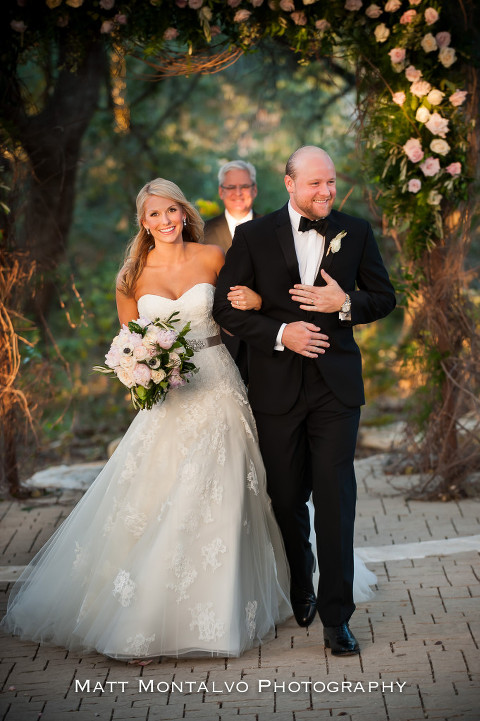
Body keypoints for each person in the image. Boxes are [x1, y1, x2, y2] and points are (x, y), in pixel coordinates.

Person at [0, 178, 292, 660]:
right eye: (155, 214)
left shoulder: (213, 257)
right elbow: (128, 347)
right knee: (160, 496)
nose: (166, 221)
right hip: (169, 398)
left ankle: (219, 612)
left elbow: (247, 309)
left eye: (173, 211)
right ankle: (142, 617)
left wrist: (259, 303)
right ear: (144, 222)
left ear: (184, 214)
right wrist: (143, 369)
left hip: (219, 385)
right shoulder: (130, 277)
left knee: (219, 492)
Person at [213, 146, 396, 656]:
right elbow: (225, 307)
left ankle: (337, 617)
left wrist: (346, 304)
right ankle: (301, 582)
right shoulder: (252, 235)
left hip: (336, 389)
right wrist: (279, 333)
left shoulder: (355, 231)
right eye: (315, 183)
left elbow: (384, 297)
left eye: (331, 182)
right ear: (289, 183)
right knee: (287, 496)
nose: (326, 191)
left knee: (336, 499)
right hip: (276, 388)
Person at [204, 160, 260, 383]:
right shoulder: (201, 233)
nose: (238, 193)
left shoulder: (273, 229)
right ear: (221, 191)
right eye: (231, 187)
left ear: (254, 190)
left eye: (244, 186)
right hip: (216, 345)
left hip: (261, 344)